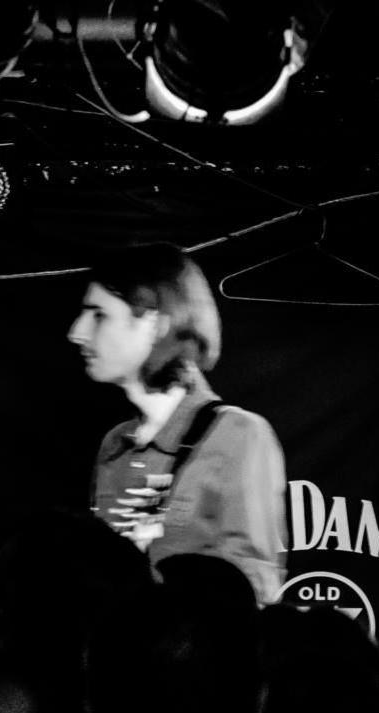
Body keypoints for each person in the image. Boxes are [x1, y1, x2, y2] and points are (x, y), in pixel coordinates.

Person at [66, 244, 286, 604]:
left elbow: (254, 591)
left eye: (98, 314)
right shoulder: (115, 444)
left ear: (155, 322)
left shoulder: (239, 435)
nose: (77, 332)